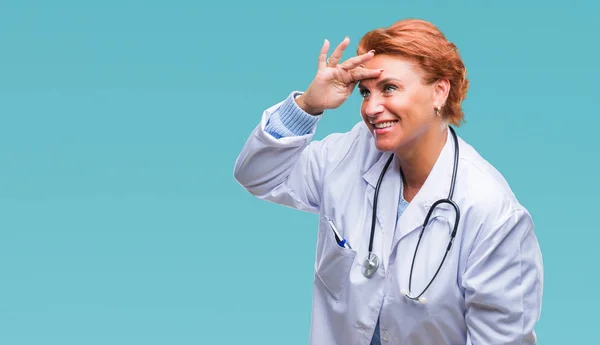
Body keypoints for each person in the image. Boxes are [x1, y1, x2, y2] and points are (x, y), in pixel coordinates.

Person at [233, 18, 543, 345]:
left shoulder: (493, 214)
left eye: (389, 88)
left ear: (439, 91)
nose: (371, 108)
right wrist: (309, 106)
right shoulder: (351, 152)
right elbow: (257, 175)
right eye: (366, 92)